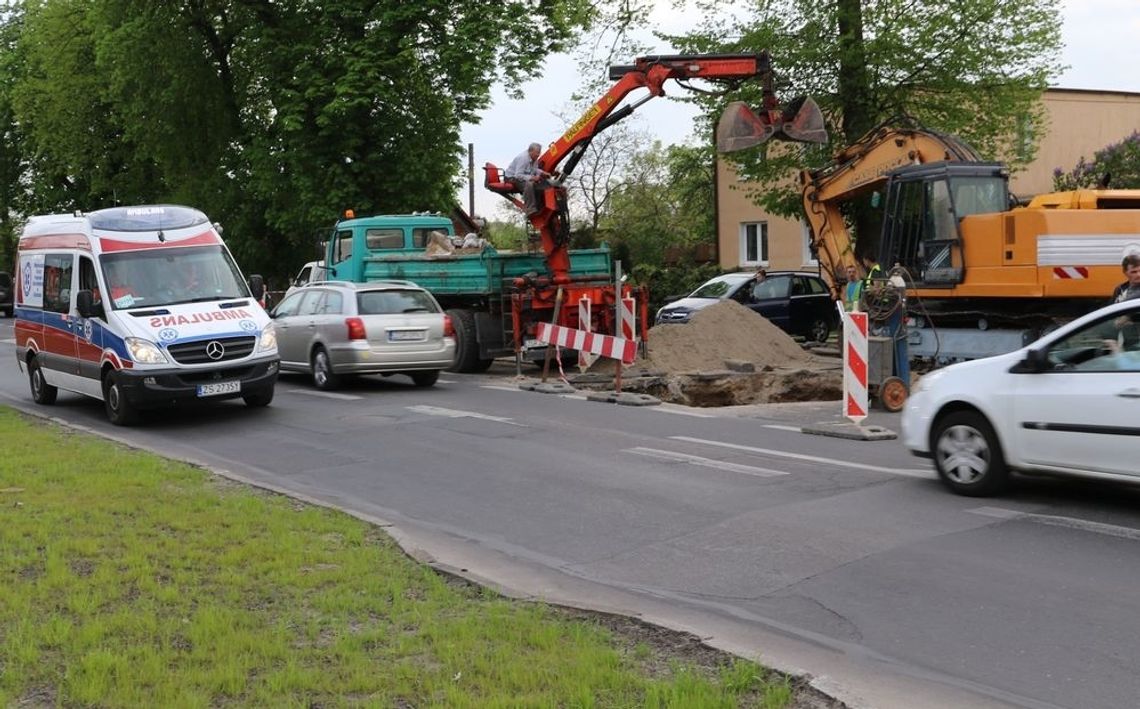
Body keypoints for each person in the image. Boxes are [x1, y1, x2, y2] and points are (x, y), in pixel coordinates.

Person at [505, 142, 549, 216]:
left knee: (539, 184)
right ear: (530, 151)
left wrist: (543, 173)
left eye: (539, 152)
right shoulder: (523, 158)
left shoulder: (534, 158)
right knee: (529, 184)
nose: (538, 155)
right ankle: (530, 209)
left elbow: (535, 169)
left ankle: (539, 207)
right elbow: (518, 175)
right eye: (537, 153)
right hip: (511, 177)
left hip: (521, 176)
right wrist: (532, 178)